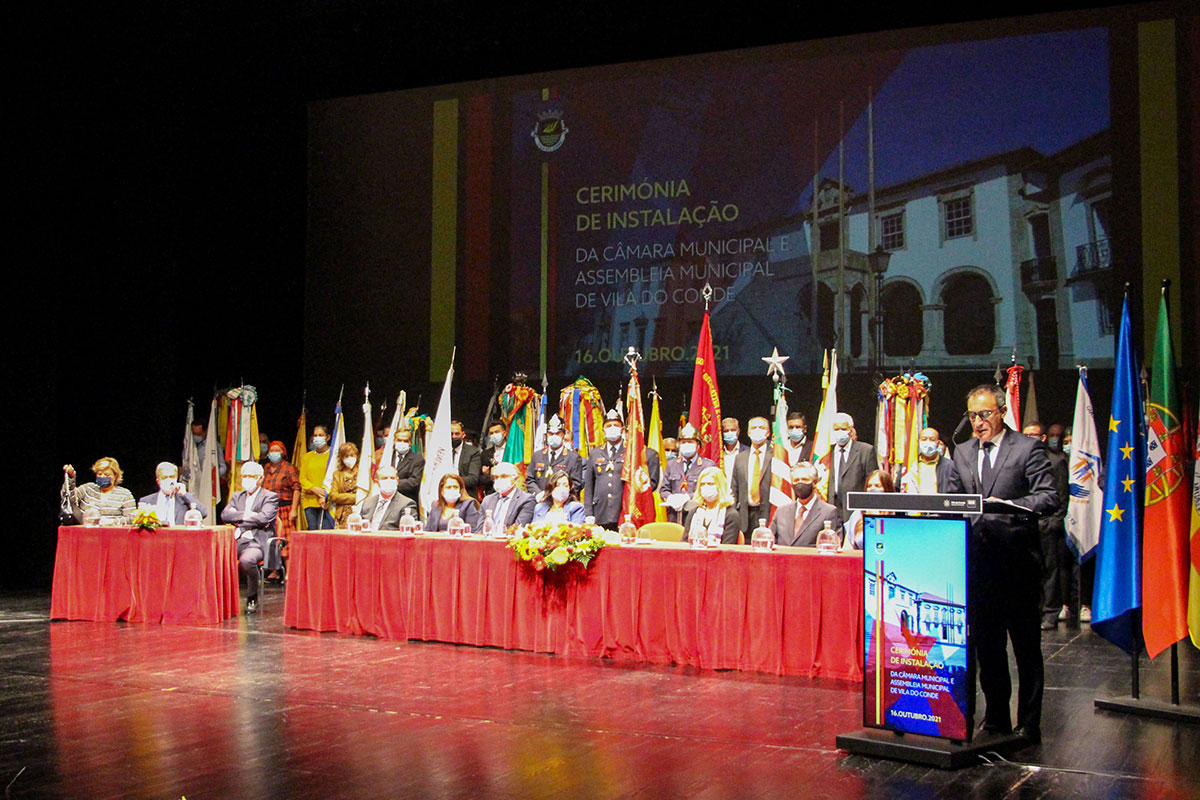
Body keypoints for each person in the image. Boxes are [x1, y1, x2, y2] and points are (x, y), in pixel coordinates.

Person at [946, 384, 1058, 743]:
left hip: (1017, 565)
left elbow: (1049, 496)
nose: (978, 423)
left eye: (985, 415)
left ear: (1002, 412)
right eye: (972, 416)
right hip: (977, 568)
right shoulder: (961, 453)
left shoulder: (1027, 448)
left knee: (1025, 648)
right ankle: (995, 717)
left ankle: (1029, 723)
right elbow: (951, 501)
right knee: (987, 649)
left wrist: (1010, 507)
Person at [1023, 421, 1074, 630]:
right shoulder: (1021, 459)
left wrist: (1055, 521)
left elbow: (1062, 495)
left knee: (1050, 571)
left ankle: (1051, 612)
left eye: (1033, 435)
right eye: (1025, 435)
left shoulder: (1056, 460)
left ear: (1043, 438)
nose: (1028, 439)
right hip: (1026, 523)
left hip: (1047, 523)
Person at [582, 409, 661, 529]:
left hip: (625, 511)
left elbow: (647, 484)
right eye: (609, 426)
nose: (612, 428)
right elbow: (589, 486)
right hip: (601, 511)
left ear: (623, 430)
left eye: (616, 425)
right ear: (603, 431)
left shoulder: (633, 453)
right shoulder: (595, 453)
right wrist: (588, 513)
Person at [220, 460, 279, 613]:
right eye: (244, 476)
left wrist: (240, 520)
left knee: (247, 561)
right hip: (237, 541)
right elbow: (225, 515)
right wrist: (246, 514)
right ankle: (221, 602)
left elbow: (264, 518)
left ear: (260, 478)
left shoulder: (270, 497)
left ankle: (252, 596)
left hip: (256, 542)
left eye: (250, 476)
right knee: (214, 557)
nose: (246, 479)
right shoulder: (236, 496)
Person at [770, 461, 841, 547]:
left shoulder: (829, 512)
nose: (800, 483)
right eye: (796, 480)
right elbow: (770, 541)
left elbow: (834, 546)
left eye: (805, 479)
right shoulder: (781, 511)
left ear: (814, 483)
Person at [827, 412, 880, 515]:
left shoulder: (866, 451)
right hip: (832, 509)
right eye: (836, 429)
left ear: (851, 430)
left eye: (843, 429)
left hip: (855, 510)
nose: (840, 432)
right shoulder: (827, 452)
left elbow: (872, 484)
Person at [659, 424, 715, 524]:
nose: (686, 444)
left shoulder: (707, 466)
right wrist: (671, 497)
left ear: (698, 445)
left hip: (697, 515)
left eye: (690, 442)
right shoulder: (672, 464)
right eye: (683, 442)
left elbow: (710, 492)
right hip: (674, 516)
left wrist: (688, 497)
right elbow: (664, 489)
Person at [260, 440, 300, 578]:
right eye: (272, 451)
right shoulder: (266, 468)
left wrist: (294, 509)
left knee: (286, 540)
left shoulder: (289, 468)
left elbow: (296, 489)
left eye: (277, 450)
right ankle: (275, 570)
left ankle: (289, 571)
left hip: (285, 508)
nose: (274, 453)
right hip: (269, 509)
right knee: (271, 539)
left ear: (283, 453)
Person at [731, 416, 776, 537]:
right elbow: (734, 488)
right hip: (744, 515)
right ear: (749, 433)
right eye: (754, 428)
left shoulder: (776, 456)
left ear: (767, 433)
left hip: (768, 513)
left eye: (761, 427)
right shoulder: (740, 457)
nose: (757, 430)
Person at [61, 457, 136, 525]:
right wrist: (71, 478)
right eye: (99, 474)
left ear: (115, 476)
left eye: (107, 474)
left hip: (112, 535)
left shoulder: (125, 494)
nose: (102, 476)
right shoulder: (88, 489)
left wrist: (113, 522)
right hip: (86, 533)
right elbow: (69, 498)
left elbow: (131, 518)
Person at [680, 466, 740, 544]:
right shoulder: (694, 512)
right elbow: (685, 542)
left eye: (710, 484)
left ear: (720, 486)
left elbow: (728, 547)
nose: (706, 487)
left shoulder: (731, 515)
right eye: (702, 484)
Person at [526, 415, 583, 494]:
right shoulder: (537, 455)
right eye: (551, 433)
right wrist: (539, 495)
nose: (554, 436)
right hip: (539, 501)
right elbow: (529, 480)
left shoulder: (573, 457)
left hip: (563, 503)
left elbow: (576, 484)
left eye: (557, 433)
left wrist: (558, 497)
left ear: (563, 434)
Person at [137, 462, 207, 525]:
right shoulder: (146, 501)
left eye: (172, 477)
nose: (169, 480)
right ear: (158, 481)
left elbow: (203, 513)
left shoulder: (185, 499)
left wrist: (184, 495)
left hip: (179, 537)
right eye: (164, 477)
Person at [844, 469, 895, 550]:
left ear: (887, 489)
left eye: (877, 486)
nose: (872, 489)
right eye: (869, 486)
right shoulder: (857, 514)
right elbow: (847, 547)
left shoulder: (895, 514)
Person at [478, 461, 536, 532]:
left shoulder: (526, 500)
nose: (499, 480)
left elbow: (518, 530)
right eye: (496, 477)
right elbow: (479, 530)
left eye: (504, 476)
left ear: (515, 478)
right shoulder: (487, 500)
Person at [359, 466, 417, 531]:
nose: (389, 481)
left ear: (397, 481)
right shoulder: (368, 502)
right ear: (377, 482)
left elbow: (408, 532)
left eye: (392, 478)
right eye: (384, 478)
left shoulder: (407, 504)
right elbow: (359, 527)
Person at [299, 425, 335, 529]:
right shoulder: (307, 457)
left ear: (327, 437)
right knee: (313, 532)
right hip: (310, 501)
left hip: (328, 501)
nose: (317, 438)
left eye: (320, 435)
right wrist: (315, 489)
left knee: (326, 532)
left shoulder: (333, 456)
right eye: (315, 435)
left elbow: (335, 476)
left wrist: (324, 494)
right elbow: (302, 479)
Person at [900, 427, 955, 494]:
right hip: (914, 503)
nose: (928, 442)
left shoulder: (949, 466)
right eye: (924, 439)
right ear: (918, 442)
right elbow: (899, 487)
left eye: (932, 439)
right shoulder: (910, 464)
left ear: (938, 443)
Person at [327, 442, 361, 529]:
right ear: (341, 458)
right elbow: (333, 496)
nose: (349, 458)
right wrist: (355, 497)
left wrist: (343, 497)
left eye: (352, 455)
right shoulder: (337, 474)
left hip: (360, 513)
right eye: (346, 456)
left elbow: (366, 496)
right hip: (342, 516)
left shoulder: (363, 472)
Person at [389, 428, 425, 504]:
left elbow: (413, 482)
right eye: (399, 440)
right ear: (394, 441)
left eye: (405, 441)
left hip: (406, 501)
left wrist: (391, 483)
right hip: (387, 500)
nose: (402, 443)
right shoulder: (387, 457)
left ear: (410, 443)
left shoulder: (418, 460)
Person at [451, 420, 482, 493]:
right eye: (451, 434)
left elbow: (473, 479)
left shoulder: (473, 452)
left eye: (457, 434)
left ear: (463, 434)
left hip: (465, 494)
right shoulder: (442, 451)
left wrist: (452, 482)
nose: (453, 437)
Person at [479, 421, 508, 495]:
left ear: (504, 433)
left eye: (497, 432)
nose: (494, 435)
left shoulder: (513, 451)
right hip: (493, 492)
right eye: (491, 433)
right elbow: (480, 479)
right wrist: (487, 475)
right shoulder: (485, 454)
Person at [720, 417, 747, 483]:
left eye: (733, 430)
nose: (730, 433)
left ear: (738, 432)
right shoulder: (718, 453)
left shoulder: (747, 451)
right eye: (726, 431)